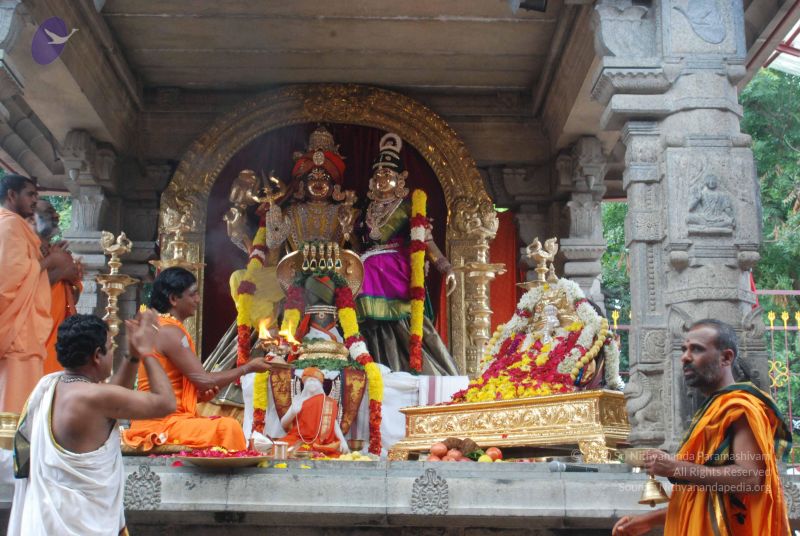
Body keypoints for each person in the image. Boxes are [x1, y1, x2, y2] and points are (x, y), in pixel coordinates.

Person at [612, 319, 791, 536]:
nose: (685, 357)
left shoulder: (739, 408)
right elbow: (702, 498)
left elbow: (750, 478)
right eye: (684, 349)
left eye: (696, 349)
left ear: (726, 357)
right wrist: (648, 521)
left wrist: (676, 468)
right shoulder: (711, 410)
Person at [8, 311, 176, 536]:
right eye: (110, 347)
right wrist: (147, 351)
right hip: (82, 523)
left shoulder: (52, 386)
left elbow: (116, 399)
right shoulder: (93, 397)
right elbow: (166, 403)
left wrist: (133, 355)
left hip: (49, 521)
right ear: (97, 355)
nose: (112, 352)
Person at [124, 267, 277, 451]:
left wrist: (197, 396)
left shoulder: (164, 328)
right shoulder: (169, 332)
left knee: (221, 425)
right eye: (193, 294)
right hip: (161, 424)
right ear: (173, 299)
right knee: (226, 427)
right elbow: (204, 381)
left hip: (164, 420)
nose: (198, 299)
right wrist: (248, 368)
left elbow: (176, 388)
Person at [355, 132, 458, 374]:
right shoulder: (364, 209)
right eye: (377, 175)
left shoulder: (410, 207)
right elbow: (358, 246)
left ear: (400, 179)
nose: (381, 179)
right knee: (358, 268)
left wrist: (447, 268)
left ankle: (428, 367)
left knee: (370, 267)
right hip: (369, 264)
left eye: (387, 175)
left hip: (396, 266)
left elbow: (426, 241)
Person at [0, 174, 72, 414]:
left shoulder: (16, 226)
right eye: (30, 194)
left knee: (26, 404)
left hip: (25, 330)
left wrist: (49, 258)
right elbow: (9, 279)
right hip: (15, 332)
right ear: (12, 195)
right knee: (14, 406)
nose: (34, 200)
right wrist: (52, 260)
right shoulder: (9, 225)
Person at [34, 199, 84, 374]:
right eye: (49, 212)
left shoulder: (57, 252)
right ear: (31, 217)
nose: (56, 215)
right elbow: (25, 287)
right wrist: (58, 267)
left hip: (59, 336)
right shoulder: (23, 248)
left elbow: (73, 299)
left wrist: (71, 276)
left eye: (55, 211)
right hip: (35, 335)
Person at [279, 367, 350, 455]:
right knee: (279, 448)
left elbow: (333, 423)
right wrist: (292, 412)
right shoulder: (298, 400)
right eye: (309, 381)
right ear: (304, 383)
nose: (312, 383)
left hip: (322, 442)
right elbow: (283, 424)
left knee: (333, 450)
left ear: (321, 384)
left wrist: (343, 441)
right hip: (298, 440)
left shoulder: (327, 402)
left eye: (315, 381)